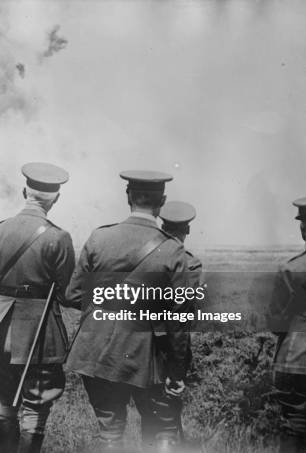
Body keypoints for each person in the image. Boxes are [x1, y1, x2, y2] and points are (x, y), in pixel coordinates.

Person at [65, 171, 192, 453]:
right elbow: (179, 318)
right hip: (146, 355)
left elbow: (73, 295)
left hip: (96, 350)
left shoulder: (99, 238)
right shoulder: (173, 249)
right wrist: (176, 370)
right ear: (162, 202)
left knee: (109, 432)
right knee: (160, 428)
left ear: (128, 197)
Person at [0, 162, 75, 453]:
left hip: (1, 332)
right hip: (40, 334)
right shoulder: (59, 238)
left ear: (23, 191)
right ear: (56, 198)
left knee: (6, 403)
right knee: (36, 406)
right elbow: (68, 295)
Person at [267, 197, 306, 453]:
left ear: (303, 228)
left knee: (294, 426)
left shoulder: (291, 269)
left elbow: (275, 323)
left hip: (295, 361)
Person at [155, 201, 204, 451]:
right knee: (168, 414)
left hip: (137, 343)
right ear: (188, 229)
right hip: (169, 346)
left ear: (162, 226)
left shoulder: (148, 253)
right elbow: (183, 316)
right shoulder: (189, 262)